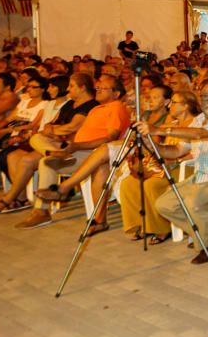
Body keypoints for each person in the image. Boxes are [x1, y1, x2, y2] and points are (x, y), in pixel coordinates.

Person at [145, 80, 208, 263]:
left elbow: (200, 134)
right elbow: (176, 152)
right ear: (200, 100)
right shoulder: (197, 121)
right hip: (202, 176)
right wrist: (151, 145)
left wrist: (157, 129)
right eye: (205, 96)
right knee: (164, 204)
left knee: (194, 203)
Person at [14, 75, 131, 230]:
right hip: (79, 150)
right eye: (98, 87)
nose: (98, 90)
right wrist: (61, 139)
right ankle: (41, 211)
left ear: (116, 94)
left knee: (47, 161)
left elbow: (110, 138)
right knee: (43, 155)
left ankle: (51, 200)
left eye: (103, 88)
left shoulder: (116, 108)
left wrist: (77, 146)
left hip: (95, 153)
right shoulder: (97, 108)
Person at [119, 90, 201, 243]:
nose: (170, 105)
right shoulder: (173, 124)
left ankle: (161, 228)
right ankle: (140, 224)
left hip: (186, 167)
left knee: (151, 185)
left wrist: (176, 161)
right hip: (168, 164)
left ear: (185, 106)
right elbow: (161, 145)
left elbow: (195, 153)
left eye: (174, 102)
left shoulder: (196, 124)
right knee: (128, 183)